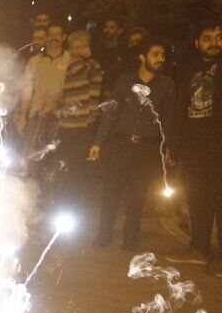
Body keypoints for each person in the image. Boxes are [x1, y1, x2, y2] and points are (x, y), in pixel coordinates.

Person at [92, 38, 176, 250]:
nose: (160, 58)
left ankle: (130, 241)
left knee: (138, 195)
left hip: (147, 148)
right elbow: (111, 113)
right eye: (155, 54)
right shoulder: (124, 81)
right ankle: (103, 236)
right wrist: (98, 142)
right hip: (120, 144)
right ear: (143, 56)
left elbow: (168, 119)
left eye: (163, 55)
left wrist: (169, 147)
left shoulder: (166, 85)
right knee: (111, 191)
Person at [166, 21, 222, 267]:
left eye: (219, 37)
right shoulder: (189, 70)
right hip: (193, 145)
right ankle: (199, 249)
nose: (214, 43)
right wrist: (173, 145)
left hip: (218, 145)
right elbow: (180, 108)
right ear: (197, 43)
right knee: (197, 197)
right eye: (208, 38)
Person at [52, 30, 104, 211]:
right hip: (65, 126)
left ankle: (70, 207)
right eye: (74, 47)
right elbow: (57, 93)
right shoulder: (64, 67)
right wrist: (59, 113)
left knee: (76, 171)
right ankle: (59, 204)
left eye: (82, 46)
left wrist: (91, 119)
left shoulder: (92, 67)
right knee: (62, 167)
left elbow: (95, 96)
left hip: (83, 127)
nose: (77, 50)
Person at [17, 24, 71, 157]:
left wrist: (55, 106)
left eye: (58, 34)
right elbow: (27, 90)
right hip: (35, 115)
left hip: (59, 118)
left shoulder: (71, 60)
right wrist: (23, 116)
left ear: (64, 37)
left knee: (51, 156)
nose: (54, 37)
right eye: (51, 34)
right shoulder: (34, 61)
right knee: (28, 154)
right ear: (46, 38)